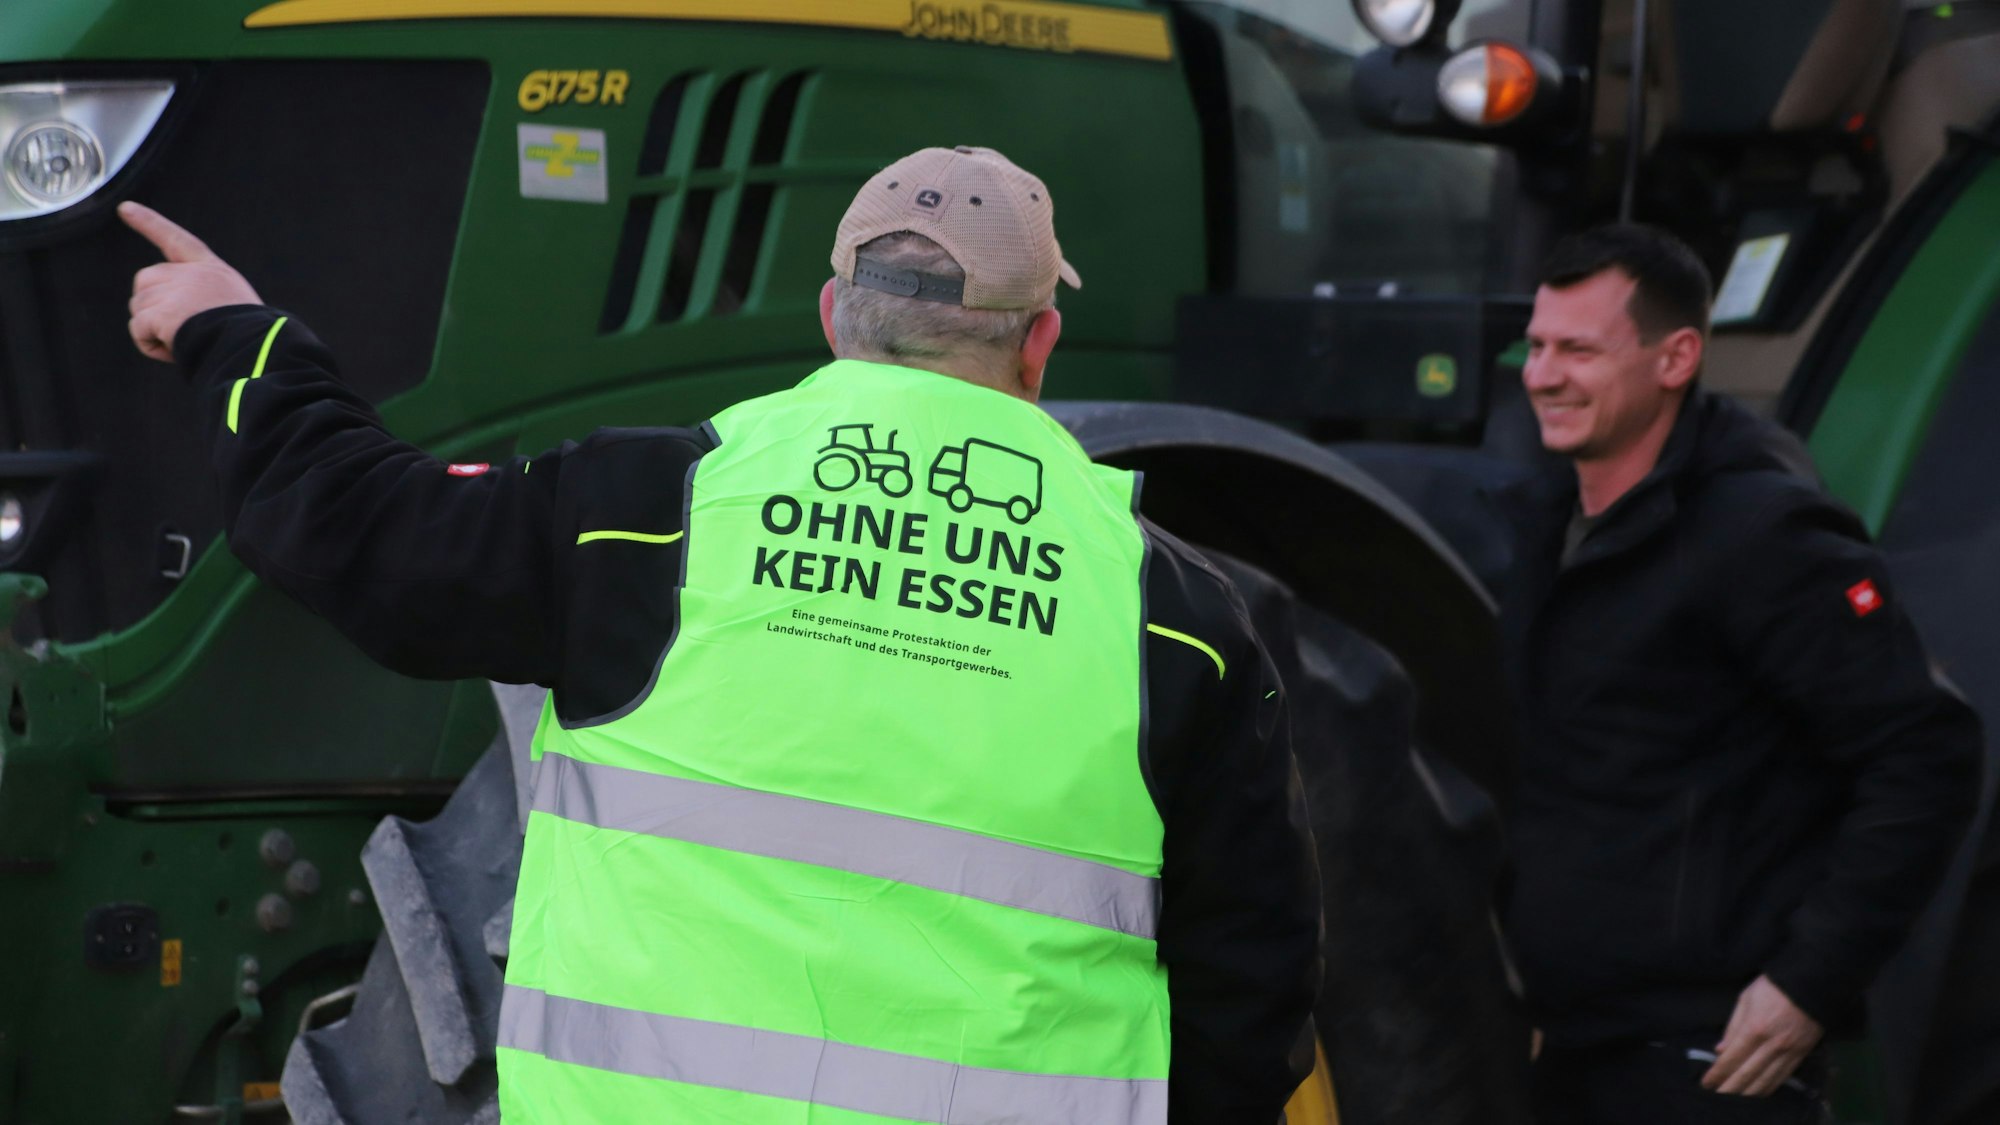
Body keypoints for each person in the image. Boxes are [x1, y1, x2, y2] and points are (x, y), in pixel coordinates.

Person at [119, 145, 1321, 1123]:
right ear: (1037, 344)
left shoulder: (646, 513)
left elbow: (359, 533)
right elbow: (1250, 996)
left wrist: (238, 334)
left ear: (831, 315)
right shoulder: (1176, 616)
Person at [1495, 222, 1982, 1123]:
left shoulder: (1762, 535)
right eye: (1538, 344)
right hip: (1575, 1049)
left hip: (1713, 1068)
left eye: (1579, 350)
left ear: (1676, 357)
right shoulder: (1549, 526)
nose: (1542, 374)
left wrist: (1808, 984)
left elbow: (1927, 750)